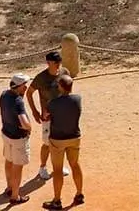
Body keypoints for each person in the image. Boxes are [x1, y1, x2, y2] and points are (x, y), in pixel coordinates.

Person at [26, 51, 71, 181]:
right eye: (55, 62)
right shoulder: (41, 78)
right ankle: (43, 167)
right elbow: (29, 93)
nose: (58, 65)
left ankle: (58, 166)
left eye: (59, 62)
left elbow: (68, 90)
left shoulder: (64, 73)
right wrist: (34, 111)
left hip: (61, 115)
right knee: (47, 143)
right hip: (47, 116)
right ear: (48, 63)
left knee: (61, 142)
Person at [43, 74, 84, 210]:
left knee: (57, 170)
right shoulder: (77, 99)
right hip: (74, 137)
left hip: (57, 140)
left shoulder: (53, 103)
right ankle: (79, 194)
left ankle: (57, 200)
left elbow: (46, 116)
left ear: (60, 87)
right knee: (75, 165)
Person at [0, 73, 34, 205]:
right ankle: (15, 196)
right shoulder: (18, 101)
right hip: (18, 138)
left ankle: (9, 187)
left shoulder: (4, 95)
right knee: (17, 166)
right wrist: (29, 128)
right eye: (24, 86)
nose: (26, 88)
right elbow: (24, 123)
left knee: (8, 161)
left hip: (6, 134)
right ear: (18, 87)